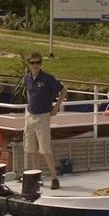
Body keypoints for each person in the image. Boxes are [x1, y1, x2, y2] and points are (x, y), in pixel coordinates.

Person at [23, 52, 67, 189]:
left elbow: (63, 90)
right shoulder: (27, 78)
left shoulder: (47, 78)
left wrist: (56, 108)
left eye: (37, 63)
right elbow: (30, 94)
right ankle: (37, 177)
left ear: (41, 64)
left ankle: (54, 178)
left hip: (43, 117)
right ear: (29, 64)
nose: (35, 66)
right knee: (32, 149)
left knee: (45, 150)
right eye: (32, 63)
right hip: (30, 116)